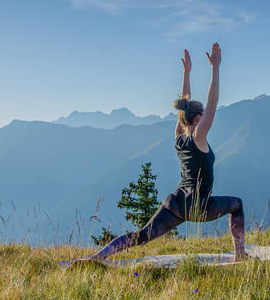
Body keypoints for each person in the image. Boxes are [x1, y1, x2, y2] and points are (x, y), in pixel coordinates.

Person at [86, 42, 249, 262]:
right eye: (203, 115)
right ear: (199, 119)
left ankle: (97, 256)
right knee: (236, 204)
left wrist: (186, 73)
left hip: (175, 203)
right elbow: (212, 103)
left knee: (141, 236)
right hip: (199, 205)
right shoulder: (198, 137)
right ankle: (240, 254)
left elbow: (184, 105)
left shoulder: (178, 136)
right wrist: (215, 68)